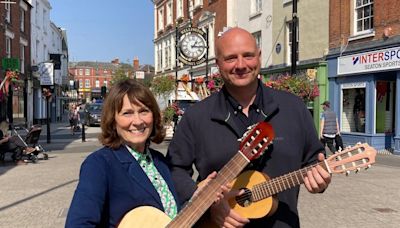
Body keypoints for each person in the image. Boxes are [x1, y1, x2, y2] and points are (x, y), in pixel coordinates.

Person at [166, 27, 331, 227]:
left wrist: (321, 180)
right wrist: (204, 202)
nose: (241, 65)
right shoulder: (196, 116)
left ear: (259, 57)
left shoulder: (293, 108)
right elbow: (174, 170)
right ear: (218, 63)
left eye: (248, 55)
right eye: (230, 58)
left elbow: (315, 160)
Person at [65, 79, 219, 227]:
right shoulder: (99, 164)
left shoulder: (159, 161)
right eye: (127, 113)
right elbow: (78, 224)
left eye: (144, 111)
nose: (138, 121)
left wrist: (198, 195)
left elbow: (170, 217)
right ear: (113, 120)